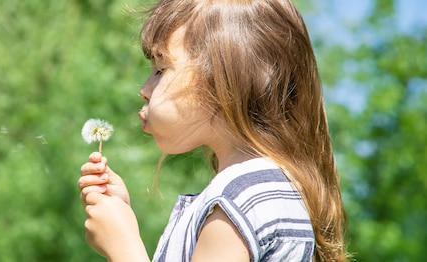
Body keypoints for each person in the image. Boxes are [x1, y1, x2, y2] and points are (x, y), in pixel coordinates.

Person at [78, 0, 348, 261]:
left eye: (161, 69)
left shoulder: (241, 199)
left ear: (225, 80)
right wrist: (120, 218)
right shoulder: (255, 193)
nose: (144, 90)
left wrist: (124, 247)